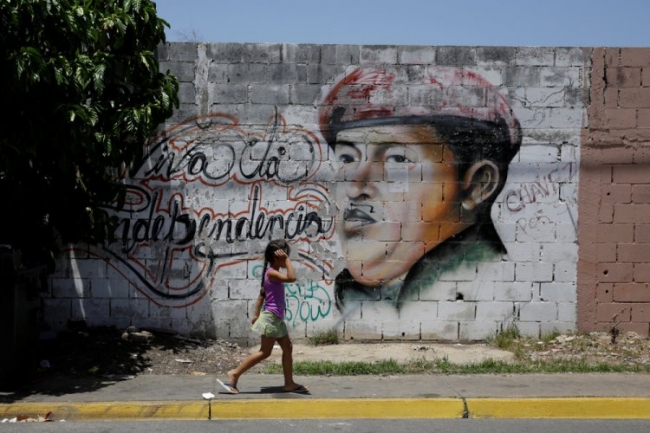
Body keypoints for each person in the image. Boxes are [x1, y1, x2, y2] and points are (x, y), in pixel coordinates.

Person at [318, 66, 522, 310]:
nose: (356, 187)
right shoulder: (358, 297)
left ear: (477, 185)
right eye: (348, 159)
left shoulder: (486, 293)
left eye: (398, 159)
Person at [217, 239, 309, 394]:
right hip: (271, 318)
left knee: (288, 348)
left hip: (276, 318)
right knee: (265, 352)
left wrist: (255, 315)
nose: (287, 257)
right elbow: (292, 278)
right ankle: (234, 374)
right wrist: (287, 261)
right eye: (284, 255)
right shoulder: (272, 273)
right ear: (276, 257)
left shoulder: (271, 274)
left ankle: (289, 383)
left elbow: (262, 295)